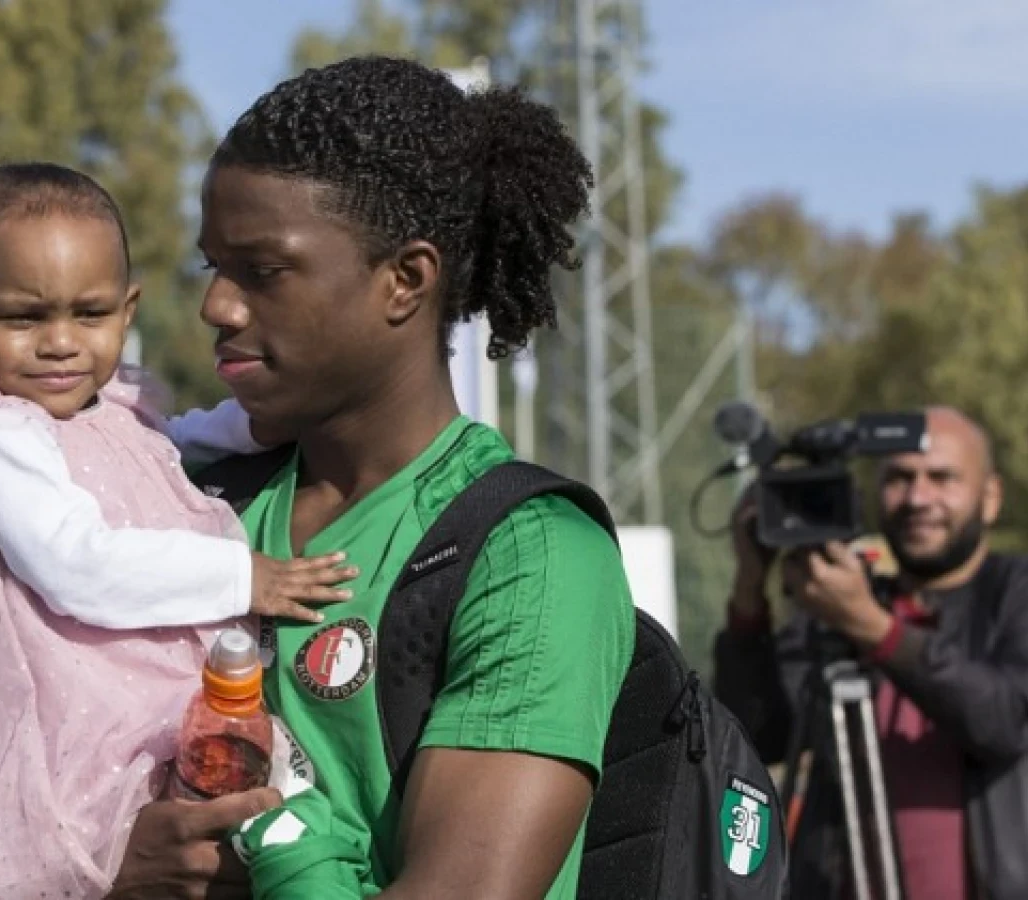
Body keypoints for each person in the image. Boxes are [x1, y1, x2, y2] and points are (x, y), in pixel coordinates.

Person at [110, 55, 636, 900]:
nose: (218, 307)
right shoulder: (186, 499)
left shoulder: (530, 556)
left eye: (265, 271)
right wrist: (105, 870)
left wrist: (277, 847)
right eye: (214, 267)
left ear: (405, 281)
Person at [0, 162, 357, 900]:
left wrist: (287, 409)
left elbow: (187, 441)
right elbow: (78, 566)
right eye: (22, 317)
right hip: (84, 740)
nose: (61, 343)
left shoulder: (118, 412)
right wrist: (245, 576)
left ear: (127, 311)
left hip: (157, 713)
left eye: (91, 313)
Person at [712, 405, 1028, 899]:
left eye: (942, 478)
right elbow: (754, 735)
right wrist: (749, 588)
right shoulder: (840, 602)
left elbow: (1011, 719)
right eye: (899, 478)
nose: (918, 498)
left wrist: (873, 628)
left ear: (990, 496)